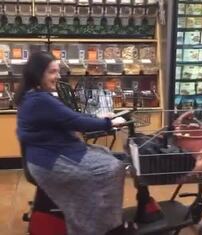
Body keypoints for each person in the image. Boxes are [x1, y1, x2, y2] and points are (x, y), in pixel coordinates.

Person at [15, 51, 133, 235]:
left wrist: (99, 118)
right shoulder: (41, 100)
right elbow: (75, 122)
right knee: (112, 168)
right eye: (53, 72)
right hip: (51, 161)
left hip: (46, 156)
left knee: (105, 155)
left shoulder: (33, 96)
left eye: (58, 71)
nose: (58, 76)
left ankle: (101, 216)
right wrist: (109, 123)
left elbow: (68, 117)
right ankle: (103, 225)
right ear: (39, 74)